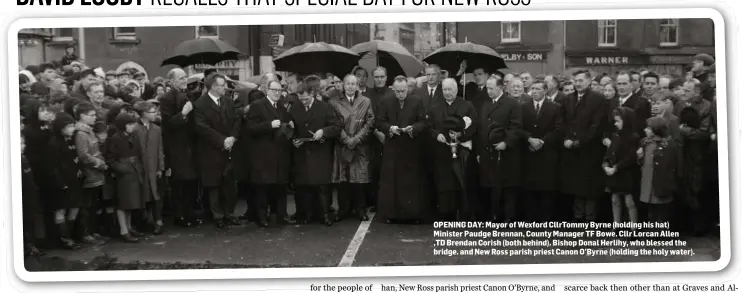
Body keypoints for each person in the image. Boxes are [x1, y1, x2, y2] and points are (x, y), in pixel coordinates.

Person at [375, 76, 428, 223]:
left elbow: (423, 122)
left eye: (403, 91)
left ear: (408, 89)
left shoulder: (416, 101)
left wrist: (413, 128)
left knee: (411, 182)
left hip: (411, 148)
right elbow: (379, 121)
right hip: (393, 147)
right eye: (397, 91)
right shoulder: (386, 101)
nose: (400, 94)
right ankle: (391, 215)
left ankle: (412, 215)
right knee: (392, 183)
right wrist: (390, 128)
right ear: (393, 89)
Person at [288, 83, 341, 226]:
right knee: (303, 186)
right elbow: (291, 129)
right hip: (302, 153)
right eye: (301, 99)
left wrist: (323, 131)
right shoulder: (294, 108)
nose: (303, 102)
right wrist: (294, 140)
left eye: (306, 99)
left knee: (322, 186)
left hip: (320, 152)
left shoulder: (325, 107)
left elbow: (336, 126)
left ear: (312, 93)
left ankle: (324, 214)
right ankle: (305, 215)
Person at [193, 74, 241, 229]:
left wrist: (233, 137)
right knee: (213, 184)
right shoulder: (200, 104)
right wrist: (222, 140)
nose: (225, 87)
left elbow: (236, 121)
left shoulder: (228, 101)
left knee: (229, 184)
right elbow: (202, 128)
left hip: (229, 149)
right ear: (213, 87)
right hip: (211, 151)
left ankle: (229, 213)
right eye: (222, 85)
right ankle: (217, 215)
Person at [427, 77, 478, 221]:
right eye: (445, 89)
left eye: (450, 89)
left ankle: (463, 214)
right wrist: (437, 135)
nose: (447, 92)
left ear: (456, 89)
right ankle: (445, 214)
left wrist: (461, 134)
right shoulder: (434, 107)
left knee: (461, 182)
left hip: (461, 151)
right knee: (444, 183)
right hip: (442, 152)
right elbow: (429, 127)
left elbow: (474, 125)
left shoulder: (467, 106)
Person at [559, 69, 607, 223]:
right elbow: (563, 122)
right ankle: (578, 217)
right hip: (572, 150)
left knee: (590, 187)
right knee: (575, 185)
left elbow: (597, 125)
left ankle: (590, 219)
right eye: (576, 81)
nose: (578, 84)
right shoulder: (569, 99)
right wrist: (567, 138)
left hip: (590, 150)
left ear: (589, 81)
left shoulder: (598, 99)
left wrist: (579, 142)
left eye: (581, 80)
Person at [247, 80, 295, 227]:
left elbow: (287, 122)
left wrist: (291, 123)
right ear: (267, 90)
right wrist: (269, 125)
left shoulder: (281, 107)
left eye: (279, 91)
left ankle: (282, 216)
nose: (277, 93)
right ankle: (262, 217)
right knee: (263, 187)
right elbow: (250, 128)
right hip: (264, 155)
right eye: (274, 90)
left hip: (280, 154)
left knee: (281, 187)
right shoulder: (257, 105)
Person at [477, 75, 523, 222]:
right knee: (492, 186)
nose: (488, 91)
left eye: (491, 88)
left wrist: (506, 142)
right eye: (487, 88)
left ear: (500, 87)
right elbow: (481, 128)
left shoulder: (512, 104)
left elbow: (516, 127)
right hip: (489, 153)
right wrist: (479, 151)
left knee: (507, 187)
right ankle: (494, 216)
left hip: (506, 153)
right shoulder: (486, 105)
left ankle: (508, 217)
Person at [330, 74, 375, 222]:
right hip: (342, 145)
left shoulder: (366, 101)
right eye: (347, 83)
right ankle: (343, 210)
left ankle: (360, 210)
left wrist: (356, 139)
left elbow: (370, 122)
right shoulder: (335, 102)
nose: (350, 86)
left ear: (357, 85)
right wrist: (346, 139)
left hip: (360, 146)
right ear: (343, 85)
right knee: (343, 180)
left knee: (359, 180)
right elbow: (334, 122)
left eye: (353, 84)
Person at [159, 68, 200, 228]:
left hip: (191, 146)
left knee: (191, 184)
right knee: (179, 184)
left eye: (185, 77)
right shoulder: (166, 99)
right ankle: (180, 215)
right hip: (176, 148)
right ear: (171, 81)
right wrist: (183, 114)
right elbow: (167, 124)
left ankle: (190, 214)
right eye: (181, 78)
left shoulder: (189, 95)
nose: (185, 80)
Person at [520, 80, 564, 222]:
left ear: (545, 91)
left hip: (547, 154)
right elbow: (518, 127)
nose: (534, 91)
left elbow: (558, 129)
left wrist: (543, 142)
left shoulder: (555, 107)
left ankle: (545, 219)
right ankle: (530, 219)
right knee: (529, 189)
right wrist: (529, 139)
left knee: (547, 190)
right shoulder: (523, 107)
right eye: (533, 88)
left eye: (538, 89)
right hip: (529, 153)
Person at [106, 112, 148, 243]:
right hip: (123, 175)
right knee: (123, 203)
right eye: (130, 124)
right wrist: (123, 168)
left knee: (130, 203)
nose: (133, 126)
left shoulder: (133, 136)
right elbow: (110, 159)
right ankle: (123, 230)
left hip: (134, 171)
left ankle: (129, 227)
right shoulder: (115, 138)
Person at [48, 112, 85, 249]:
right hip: (61, 183)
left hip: (73, 179)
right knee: (61, 210)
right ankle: (65, 238)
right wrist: (60, 183)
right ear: (61, 127)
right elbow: (52, 166)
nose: (72, 129)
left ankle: (71, 234)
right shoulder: (53, 143)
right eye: (69, 126)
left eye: (73, 126)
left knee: (74, 206)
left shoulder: (69, 139)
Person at [73, 103, 108, 246]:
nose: (95, 118)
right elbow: (83, 155)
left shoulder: (89, 131)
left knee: (94, 205)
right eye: (91, 115)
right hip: (89, 174)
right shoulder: (81, 133)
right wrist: (99, 163)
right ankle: (85, 234)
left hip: (96, 174)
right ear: (82, 116)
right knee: (86, 206)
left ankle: (92, 232)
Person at [638, 117, 683, 224]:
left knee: (661, 209)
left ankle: (661, 233)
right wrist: (639, 157)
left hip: (661, 181)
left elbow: (673, 164)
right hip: (647, 179)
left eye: (648, 128)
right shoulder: (645, 142)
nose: (645, 130)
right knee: (651, 208)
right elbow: (641, 163)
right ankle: (653, 230)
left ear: (656, 129)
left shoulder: (668, 144)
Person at [603, 107, 640, 231]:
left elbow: (631, 157)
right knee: (615, 199)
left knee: (630, 201)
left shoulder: (633, 137)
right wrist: (606, 164)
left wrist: (616, 168)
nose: (615, 124)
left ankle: (634, 228)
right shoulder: (615, 135)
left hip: (627, 172)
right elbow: (610, 152)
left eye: (618, 121)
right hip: (614, 172)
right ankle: (616, 225)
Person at [133, 101, 166, 235]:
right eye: (153, 112)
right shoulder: (135, 128)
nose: (156, 114)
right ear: (144, 114)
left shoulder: (156, 129)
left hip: (153, 167)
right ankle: (145, 221)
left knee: (155, 194)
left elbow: (160, 149)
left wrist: (160, 167)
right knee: (142, 194)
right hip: (140, 167)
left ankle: (158, 221)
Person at [21, 133, 44, 256]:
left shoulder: (24, 159)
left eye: (23, 143)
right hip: (23, 196)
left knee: (30, 221)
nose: (23, 146)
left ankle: (30, 246)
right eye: (20, 143)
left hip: (31, 194)